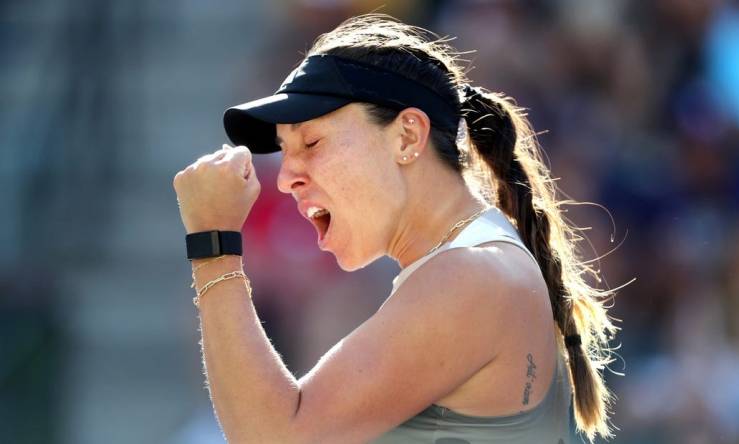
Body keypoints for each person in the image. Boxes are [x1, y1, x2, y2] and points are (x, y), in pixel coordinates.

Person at [173, 14, 618, 444]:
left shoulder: (469, 276)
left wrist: (214, 245)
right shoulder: (469, 262)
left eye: (311, 143)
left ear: (407, 136)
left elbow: (276, 438)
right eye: (285, 153)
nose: (287, 177)